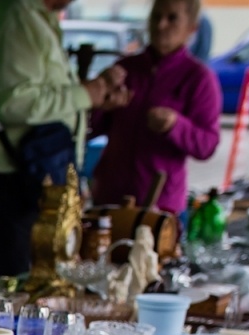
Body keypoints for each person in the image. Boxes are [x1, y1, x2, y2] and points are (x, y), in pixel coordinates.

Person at [0, 0, 131, 279]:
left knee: (31, 290)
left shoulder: (36, 16)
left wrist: (96, 93)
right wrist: (87, 93)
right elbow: (14, 101)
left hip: (27, 181)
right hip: (2, 187)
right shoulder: (12, 15)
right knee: (0, 294)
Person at [90, 0, 222, 215]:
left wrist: (175, 126)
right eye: (156, 17)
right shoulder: (125, 69)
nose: (161, 25)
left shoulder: (198, 79)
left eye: (172, 18)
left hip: (160, 205)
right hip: (109, 198)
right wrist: (98, 99)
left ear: (192, 28)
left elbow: (207, 145)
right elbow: (88, 129)